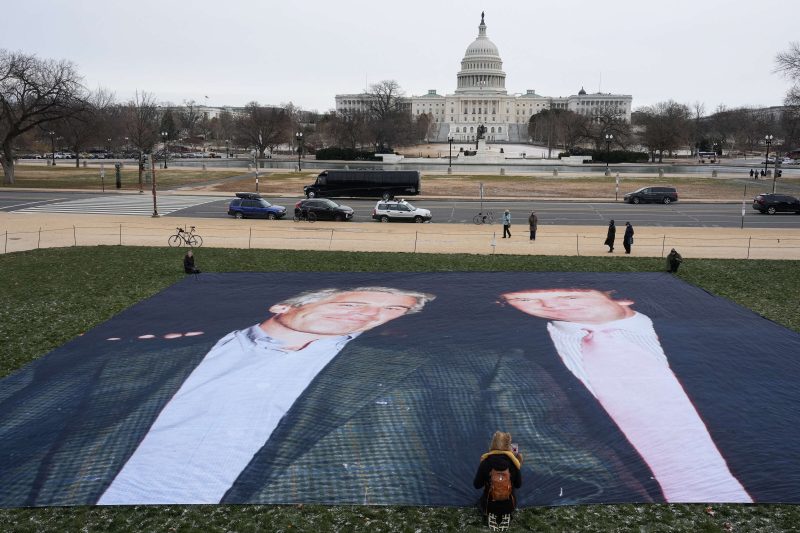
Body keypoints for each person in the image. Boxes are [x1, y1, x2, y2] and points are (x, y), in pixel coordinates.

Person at [2, 286, 435, 506]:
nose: (370, 315)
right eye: (353, 304)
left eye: (390, 310)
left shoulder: (404, 370)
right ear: (283, 306)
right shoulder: (137, 353)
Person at [499, 288, 752, 503]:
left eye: (570, 297)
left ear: (621, 298)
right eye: (525, 300)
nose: (548, 305)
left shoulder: (716, 336)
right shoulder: (511, 356)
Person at [473, 431, 522, 530]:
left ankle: (491, 514)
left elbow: (477, 485)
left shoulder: (486, 462)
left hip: (489, 505)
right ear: (508, 446)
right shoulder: (513, 463)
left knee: (482, 500)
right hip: (509, 505)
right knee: (511, 495)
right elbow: (518, 484)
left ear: (493, 444)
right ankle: (506, 514)